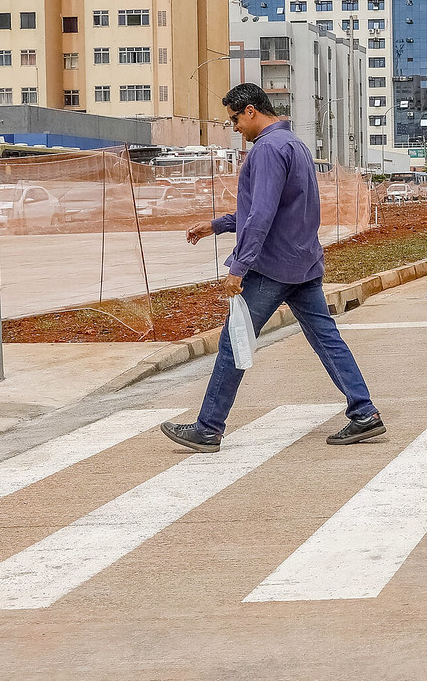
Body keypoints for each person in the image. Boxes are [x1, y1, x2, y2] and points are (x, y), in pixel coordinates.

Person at [161, 83, 384, 452]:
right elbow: (277, 208)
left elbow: (262, 213)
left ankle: (208, 428)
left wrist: (239, 267)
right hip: (304, 262)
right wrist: (217, 225)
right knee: (327, 339)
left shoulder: (266, 150)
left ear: (250, 111)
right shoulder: (294, 144)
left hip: (272, 267)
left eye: (235, 120)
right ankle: (364, 412)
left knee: (234, 342)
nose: (235, 128)